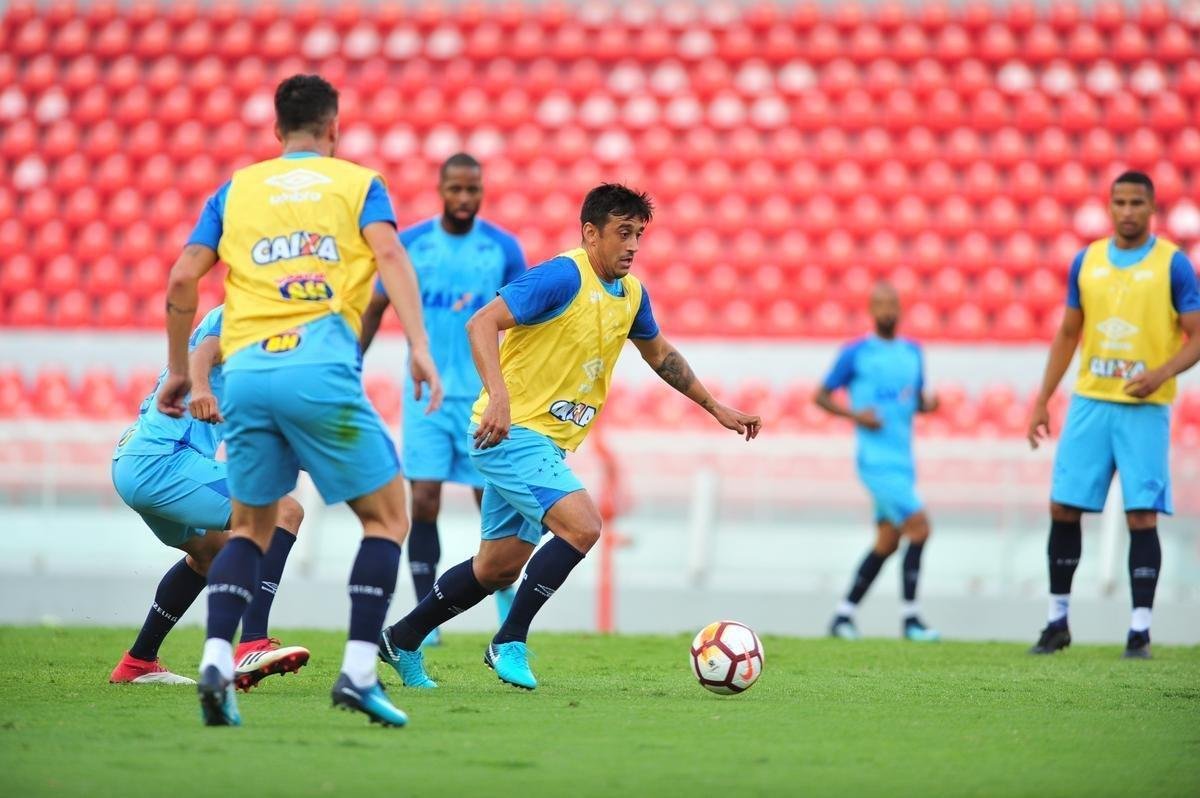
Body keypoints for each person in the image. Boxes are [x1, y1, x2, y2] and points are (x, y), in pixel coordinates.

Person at [376, 183, 762, 691]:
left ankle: (401, 639)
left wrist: (715, 407)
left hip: (545, 442)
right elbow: (480, 323)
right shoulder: (562, 275)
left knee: (496, 569)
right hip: (512, 433)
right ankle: (509, 640)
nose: (632, 246)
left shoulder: (631, 295)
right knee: (582, 526)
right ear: (590, 233)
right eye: (622, 233)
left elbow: (661, 355)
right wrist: (497, 396)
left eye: (638, 235)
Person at [159, 74, 441, 727]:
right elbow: (392, 253)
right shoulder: (357, 182)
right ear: (334, 128)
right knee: (388, 517)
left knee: (249, 529)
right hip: (319, 364)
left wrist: (181, 371)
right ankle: (360, 673)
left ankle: (214, 663)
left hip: (250, 373)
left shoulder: (236, 189)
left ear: (276, 132)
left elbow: (181, 277)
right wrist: (419, 344)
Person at [1027, 171, 1200, 659]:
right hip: (1090, 401)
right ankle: (1056, 621)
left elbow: (1197, 334)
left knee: (1141, 515)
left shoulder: (1173, 265)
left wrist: (1162, 372)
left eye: (1136, 203)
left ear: (1152, 208)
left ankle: (1139, 630)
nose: (1127, 211)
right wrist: (1042, 398)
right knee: (1063, 507)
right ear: (1109, 206)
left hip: (1144, 408)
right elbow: (1067, 334)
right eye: (1119, 202)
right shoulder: (1088, 261)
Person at [360, 153, 527, 644]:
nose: (463, 199)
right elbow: (374, 306)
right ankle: (424, 607)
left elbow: (526, 318)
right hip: (425, 397)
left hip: (481, 398)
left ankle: (502, 591)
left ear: (481, 191)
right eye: (455, 189)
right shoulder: (411, 244)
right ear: (441, 189)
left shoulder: (502, 248)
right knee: (425, 500)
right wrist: (351, 365)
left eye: (471, 190)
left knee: (490, 501)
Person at [110, 305, 310, 689]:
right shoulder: (243, 309)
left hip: (133, 460)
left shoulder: (258, 358)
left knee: (210, 554)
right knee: (284, 512)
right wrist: (200, 389)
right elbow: (204, 351)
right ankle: (251, 643)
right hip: (164, 459)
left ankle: (138, 661)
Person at [815, 283, 941, 642]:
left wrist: (927, 405)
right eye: (880, 304)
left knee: (887, 541)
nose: (887, 310)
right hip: (875, 461)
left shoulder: (914, 352)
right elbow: (820, 397)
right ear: (871, 310)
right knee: (920, 528)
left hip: (903, 460)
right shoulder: (855, 353)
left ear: (900, 309)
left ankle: (843, 616)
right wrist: (856, 415)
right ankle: (911, 620)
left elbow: (912, 400)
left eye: (893, 304)